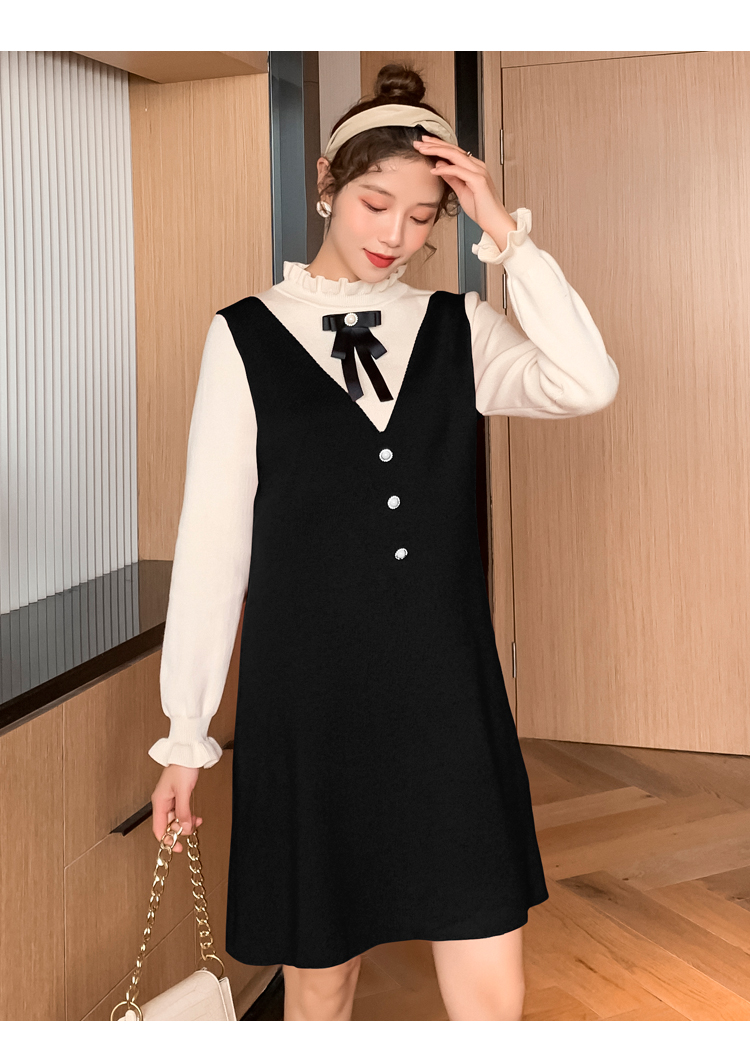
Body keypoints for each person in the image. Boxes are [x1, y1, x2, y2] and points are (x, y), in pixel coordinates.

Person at [149, 63, 619, 1021]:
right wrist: (185, 734)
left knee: (488, 969)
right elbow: (213, 546)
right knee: (321, 980)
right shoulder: (245, 336)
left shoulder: (459, 327)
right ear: (326, 183)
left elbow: (586, 382)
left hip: (445, 690)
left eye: (422, 217)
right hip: (309, 698)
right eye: (375, 203)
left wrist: (508, 236)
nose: (394, 235)